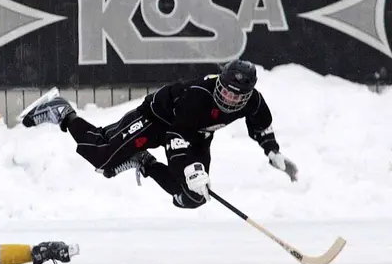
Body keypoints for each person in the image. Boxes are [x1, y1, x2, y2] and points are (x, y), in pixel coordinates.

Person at [18, 59, 298, 209]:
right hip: (156, 121)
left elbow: (261, 124)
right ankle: (63, 112)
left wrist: (272, 151)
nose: (229, 99)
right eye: (225, 91)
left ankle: (144, 162)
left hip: (196, 135)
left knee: (193, 197)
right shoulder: (197, 97)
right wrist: (190, 168)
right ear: (219, 83)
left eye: (238, 96)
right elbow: (175, 139)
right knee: (102, 156)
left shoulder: (252, 101)